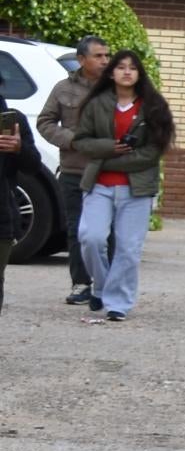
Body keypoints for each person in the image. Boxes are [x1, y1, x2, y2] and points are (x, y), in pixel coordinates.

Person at [66, 48, 175, 322]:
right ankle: (101, 286)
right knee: (90, 238)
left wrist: (109, 160)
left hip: (136, 189)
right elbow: (81, 141)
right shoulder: (96, 103)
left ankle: (118, 303)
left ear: (139, 73)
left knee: (128, 248)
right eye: (121, 67)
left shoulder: (153, 106)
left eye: (132, 68)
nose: (127, 72)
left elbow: (153, 151)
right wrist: (109, 148)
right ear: (112, 72)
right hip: (99, 185)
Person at [36, 32, 110, 307]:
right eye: (98, 56)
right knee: (78, 229)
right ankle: (81, 283)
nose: (105, 60)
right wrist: (70, 140)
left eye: (107, 55)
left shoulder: (116, 88)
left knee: (106, 232)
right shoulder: (63, 89)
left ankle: (107, 284)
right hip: (74, 170)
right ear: (82, 59)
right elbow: (45, 122)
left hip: (108, 171)